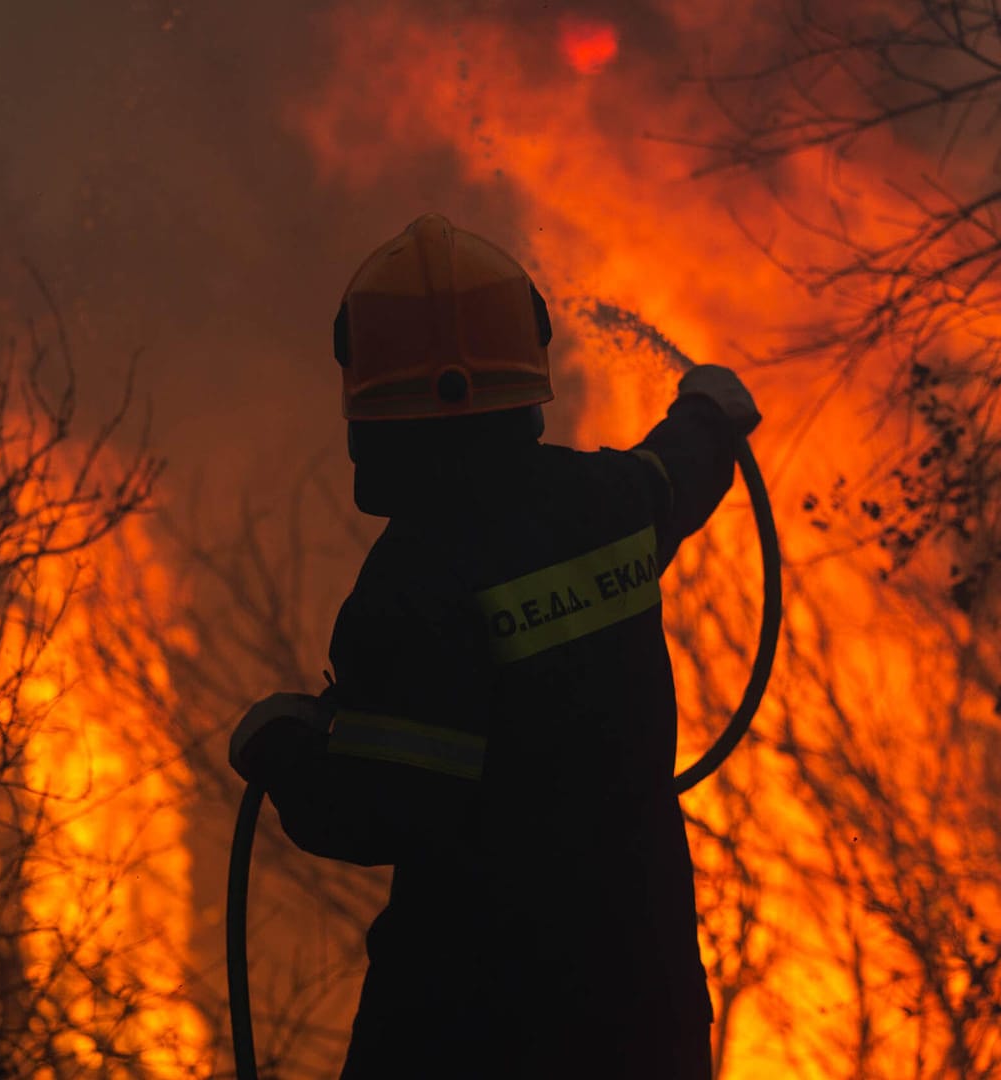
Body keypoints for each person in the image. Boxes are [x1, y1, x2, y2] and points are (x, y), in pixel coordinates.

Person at [228, 213, 761, 1079]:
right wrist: (707, 413)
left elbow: (379, 808)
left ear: (367, 392)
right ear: (529, 357)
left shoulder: (410, 584)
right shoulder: (604, 502)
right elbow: (678, 475)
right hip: (647, 1006)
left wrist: (284, 751)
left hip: (473, 1023)